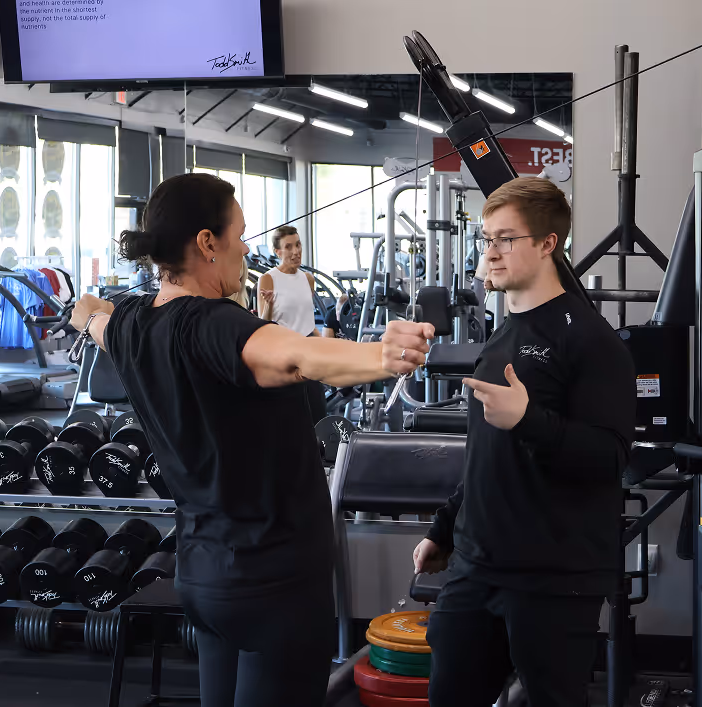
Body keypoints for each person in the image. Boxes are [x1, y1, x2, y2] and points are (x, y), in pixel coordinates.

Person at [71, 173, 434, 707]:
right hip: (274, 583)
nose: (246, 248)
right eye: (239, 234)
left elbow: (87, 312)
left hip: (203, 574)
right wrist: (383, 356)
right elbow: (301, 357)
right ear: (206, 243)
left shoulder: (129, 326)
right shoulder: (215, 325)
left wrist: (91, 315)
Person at [412, 177, 636, 707]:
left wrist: (529, 419)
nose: (491, 252)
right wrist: (445, 528)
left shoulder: (591, 341)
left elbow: (610, 458)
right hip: (475, 567)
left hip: (553, 581)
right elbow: (487, 457)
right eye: (488, 238)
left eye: (506, 239)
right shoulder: (504, 333)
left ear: (547, 244)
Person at [257, 226, 330, 417]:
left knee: (317, 414)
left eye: (298, 244)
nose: (296, 251)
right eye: (288, 247)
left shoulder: (308, 279)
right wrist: (269, 305)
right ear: (277, 252)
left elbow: (308, 323)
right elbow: (261, 326)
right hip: (284, 356)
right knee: (290, 418)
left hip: (308, 354)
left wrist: (328, 345)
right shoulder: (268, 279)